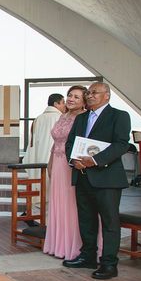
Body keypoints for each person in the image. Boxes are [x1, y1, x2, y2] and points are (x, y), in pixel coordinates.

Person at [64, 82, 131, 280]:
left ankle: (109, 264)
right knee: (86, 220)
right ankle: (88, 257)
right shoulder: (81, 117)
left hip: (107, 178)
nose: (90, 96)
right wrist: (73, 159)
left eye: (94, 92)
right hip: (82, 176)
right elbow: (70, 143)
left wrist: (94, 160)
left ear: (106, 96)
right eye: (88, 93)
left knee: (110, 222)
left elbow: (121, 144)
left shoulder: (119, 116)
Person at [43, 86, 87, 259]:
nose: (71, 99)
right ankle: (57, 244)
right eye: (70, 95)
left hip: (71, 165)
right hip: (57, 162)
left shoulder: (84, 117)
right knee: (57, 203)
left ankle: (73, 246)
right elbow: (56, 143)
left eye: (77, 97)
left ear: (84, 101)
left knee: (71, 205)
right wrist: (50, 162)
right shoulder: (63, 116)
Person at [23, 93, 66, 209]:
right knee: (51, 191)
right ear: (56, 104)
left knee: (40, 188)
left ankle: (36, 215)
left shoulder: (38, 118)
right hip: (53, 159)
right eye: (63, 103)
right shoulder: (60, 118)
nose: (65, 106)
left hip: (37, 159)